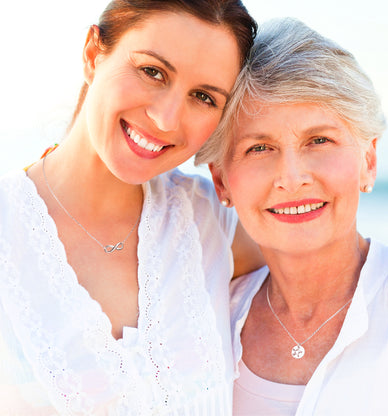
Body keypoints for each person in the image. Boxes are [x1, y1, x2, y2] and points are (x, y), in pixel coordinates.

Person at [0, 1, 263, 414]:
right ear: (92, 53)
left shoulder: (215, 221)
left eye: (203, 97)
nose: (165, 119)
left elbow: (345, 269)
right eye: (152, 71)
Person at [198, 17, 388, 415]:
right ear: (221, 181)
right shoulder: (205, 319)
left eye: (319, 140)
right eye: (259, 148)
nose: (292, 179)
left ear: (368, 161)